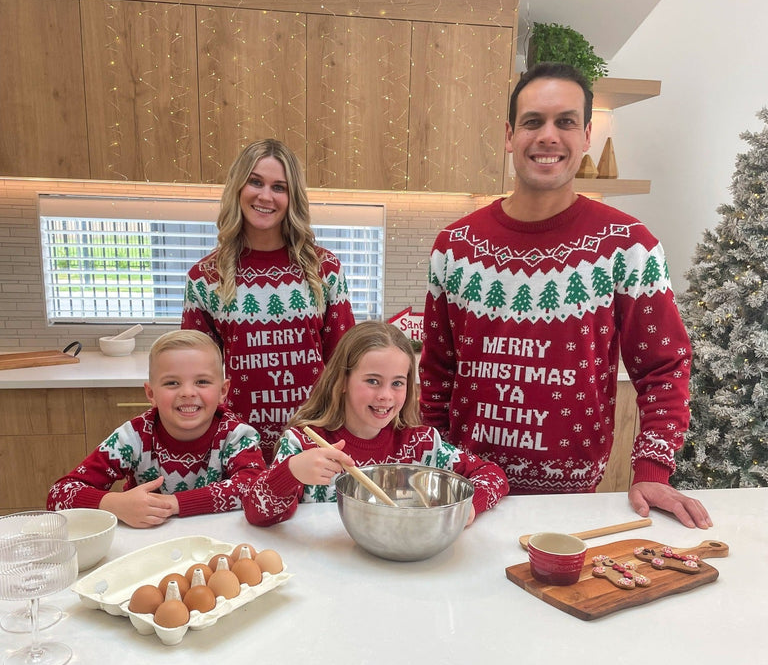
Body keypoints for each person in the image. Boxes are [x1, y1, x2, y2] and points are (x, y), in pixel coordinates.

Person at [419, 62, 712, 530]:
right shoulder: (455, 246)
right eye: (533, 121)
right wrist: (429, 463)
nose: (548, 136)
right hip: (463, 491)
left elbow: (664, 365)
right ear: (510, 135)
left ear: (587, 135)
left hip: (570, 503)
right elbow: (437, 370)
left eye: (566, 122)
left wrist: (652, 471)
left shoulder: (628, 245)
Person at [181, 139, 355, 462]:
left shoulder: (325, 269)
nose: (265, 196)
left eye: (279, 187)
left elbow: (344, 366)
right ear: (238, 187)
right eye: (256, 182)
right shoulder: (205, 278)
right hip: (237, 448)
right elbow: (197, 377)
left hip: (314, 442)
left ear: (292, 198)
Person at [240, 321, 509, 526]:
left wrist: (469, 508)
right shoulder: (303, 444)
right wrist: (292, 471)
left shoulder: (421, 443)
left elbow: (492, 474)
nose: (385, 396)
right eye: (372, 381)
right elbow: (256, 513)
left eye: (397, 383)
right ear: (342, 381)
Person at [47, 330, 267, 528]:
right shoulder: (133, 437)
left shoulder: (236, 436)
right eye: (172, 383)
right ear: (151, 394)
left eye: (202, 381)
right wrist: (114, 503)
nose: (188, 392)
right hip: (146, 544)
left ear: (223, 390)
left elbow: (255, 487)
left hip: (217, 543)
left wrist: (174, 503)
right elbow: (58, 496)